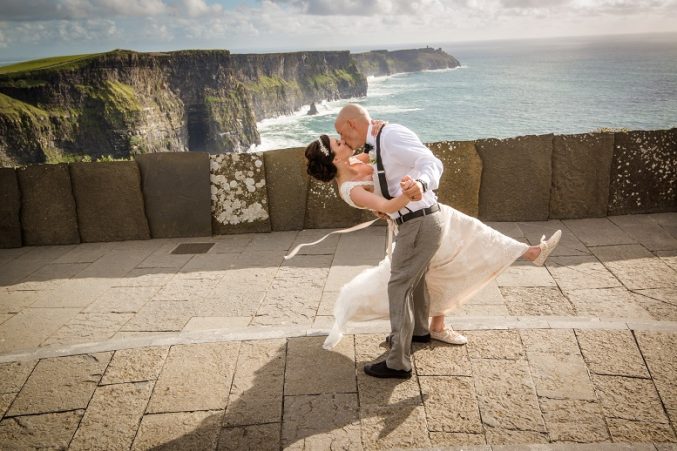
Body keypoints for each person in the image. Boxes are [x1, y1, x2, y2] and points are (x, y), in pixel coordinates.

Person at [304, 104, 561, 379]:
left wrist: (418, 186)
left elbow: (430, 164)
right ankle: (421, 332)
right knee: (417, 280)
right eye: (339, 143)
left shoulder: (386, 137)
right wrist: (397, 194)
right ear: (333, 159)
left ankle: (397, 363)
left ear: (352, 125)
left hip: (419, 221)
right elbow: (382, 185)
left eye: (342, 135)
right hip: (416, 220)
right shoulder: (371, 150)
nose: (345, 141)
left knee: (399, 286)